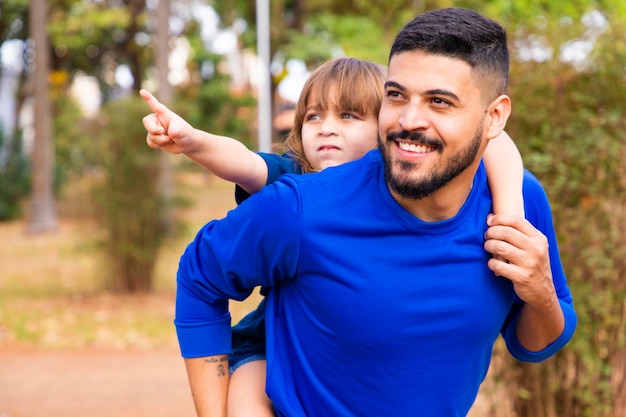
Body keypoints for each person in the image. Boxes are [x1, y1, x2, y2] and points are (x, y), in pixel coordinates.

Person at [142, 53, 528, 416]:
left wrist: (510, 210)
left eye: (348, 116)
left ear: (386, 126)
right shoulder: (295, 181)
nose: (327, 128)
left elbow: (497, 140)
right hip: (264, 344)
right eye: (313, 116)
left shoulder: (407, 184)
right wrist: (193, 141)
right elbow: (243, 161)